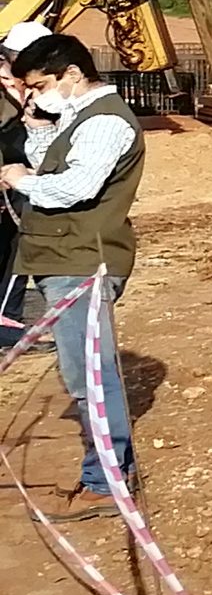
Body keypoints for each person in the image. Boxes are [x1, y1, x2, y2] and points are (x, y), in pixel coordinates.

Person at [0, 34, 145, 503]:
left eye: (39, 86)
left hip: (84, 259)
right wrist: (39, 129)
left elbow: (77, 187)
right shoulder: (79, 117)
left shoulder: (104, 121)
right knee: (83, 373)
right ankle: (106, 473)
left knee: (90, 376)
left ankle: (109, 482)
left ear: (72, 75)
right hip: (67, 258)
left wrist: (24, 179)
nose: (33, 96)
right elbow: (57, 166)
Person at [0, 19, 54, 351]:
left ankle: (8, 319)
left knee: (16, 245)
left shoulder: (24, 90)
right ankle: (6, 320)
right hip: (10, 180)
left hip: (18, 179)